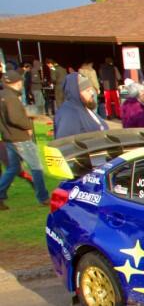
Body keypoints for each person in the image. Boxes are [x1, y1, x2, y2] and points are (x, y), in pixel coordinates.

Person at [0, 70, 49, 209]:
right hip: (20, 138)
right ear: (18, 82)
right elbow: (15, 118)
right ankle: (43, 197)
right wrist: (29, 125)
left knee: (12, 168)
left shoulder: (3, 95)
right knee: (36, 167)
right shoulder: (11, 98)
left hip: (9, 137)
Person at [53, 73, 108, 139]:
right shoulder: (68, 115)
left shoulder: (84, 108)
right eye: (87, 90)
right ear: (75, 92)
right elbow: (66, 144)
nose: (92, 93)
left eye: (91, 89)